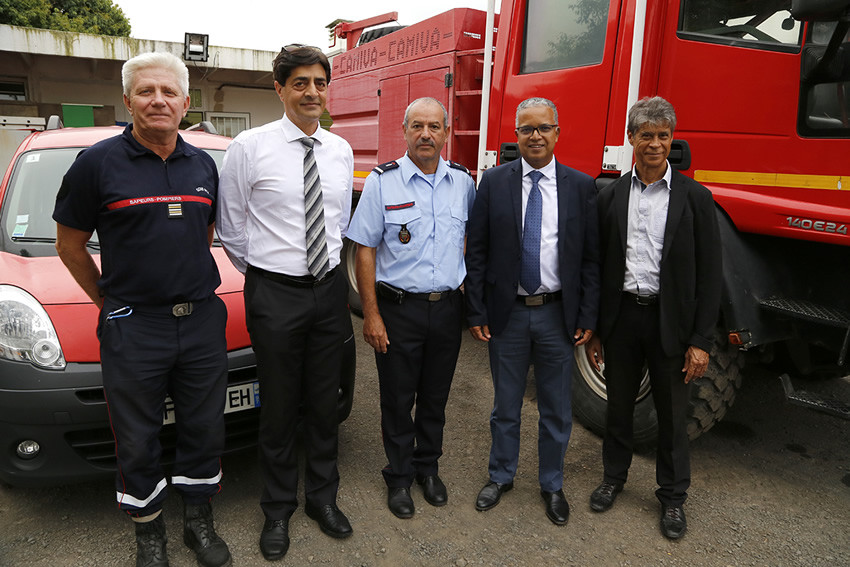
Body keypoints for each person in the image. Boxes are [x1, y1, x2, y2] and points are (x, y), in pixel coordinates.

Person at [53, 52, 231, 567]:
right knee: (136, 436)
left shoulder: (202, 164)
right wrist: (108, 301)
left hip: (200, 319)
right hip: (135, 325)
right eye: (147, 92)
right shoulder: (97, 163)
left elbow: (204, 234)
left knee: (203, 428)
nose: (159, 101)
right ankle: (149, 534)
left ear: (185, 102)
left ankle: (199, 523)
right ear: (128, 100)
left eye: (169, 92)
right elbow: (69, 243)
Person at [216, 45, 354, 561]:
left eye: (319, 82)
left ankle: (323, 499)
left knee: (324, 404)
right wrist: (273, 277)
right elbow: (231, 229)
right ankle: (277, 509)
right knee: (277, 407)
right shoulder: (248, 147)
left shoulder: (340, 150)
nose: (312, 92)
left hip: (329, 292)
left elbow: (336, 226)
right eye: (300, 83)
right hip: (275, 293)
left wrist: (322, 279)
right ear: (279, 88)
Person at [585, 96, 721, 539]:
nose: (656, 144)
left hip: (671, 327)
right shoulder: (610, 196)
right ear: (630, 139)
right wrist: (598, 330)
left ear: (672, 139)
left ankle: (673, 498)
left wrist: (700, 340)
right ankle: (613, 479)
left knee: (671, 416)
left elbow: (710, 275)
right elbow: (600, 265)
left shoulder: (696, 199)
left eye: (664, 136)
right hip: (623, 320)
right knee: (618, 408)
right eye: (646, 135)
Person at [465, 97, 600, 526]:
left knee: (557, 409)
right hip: (507, 315)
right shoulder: (493, 183)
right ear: (516, 135)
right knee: (505, 405)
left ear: (557, 132)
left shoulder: (580, 186)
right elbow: (478, 251)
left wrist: (588, 317)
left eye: (543, 128)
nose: (535, 136)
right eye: (526, 129)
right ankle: (500, 475)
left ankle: (552, 484)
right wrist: (477, 310)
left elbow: (592, 259)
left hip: (557, 316)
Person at [346, 97, 476, 519]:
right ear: (404, 131)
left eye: (434, 126)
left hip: (446, 309)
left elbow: (470, 241)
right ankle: (399, 476)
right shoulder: (383, 182)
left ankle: (428, 469)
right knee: (398, 399)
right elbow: (364, 248)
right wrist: (372, 313)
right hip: (398, 309)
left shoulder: (463, 182)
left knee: (436, 398)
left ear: (446, 132)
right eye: (417, 125)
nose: (426, 134)